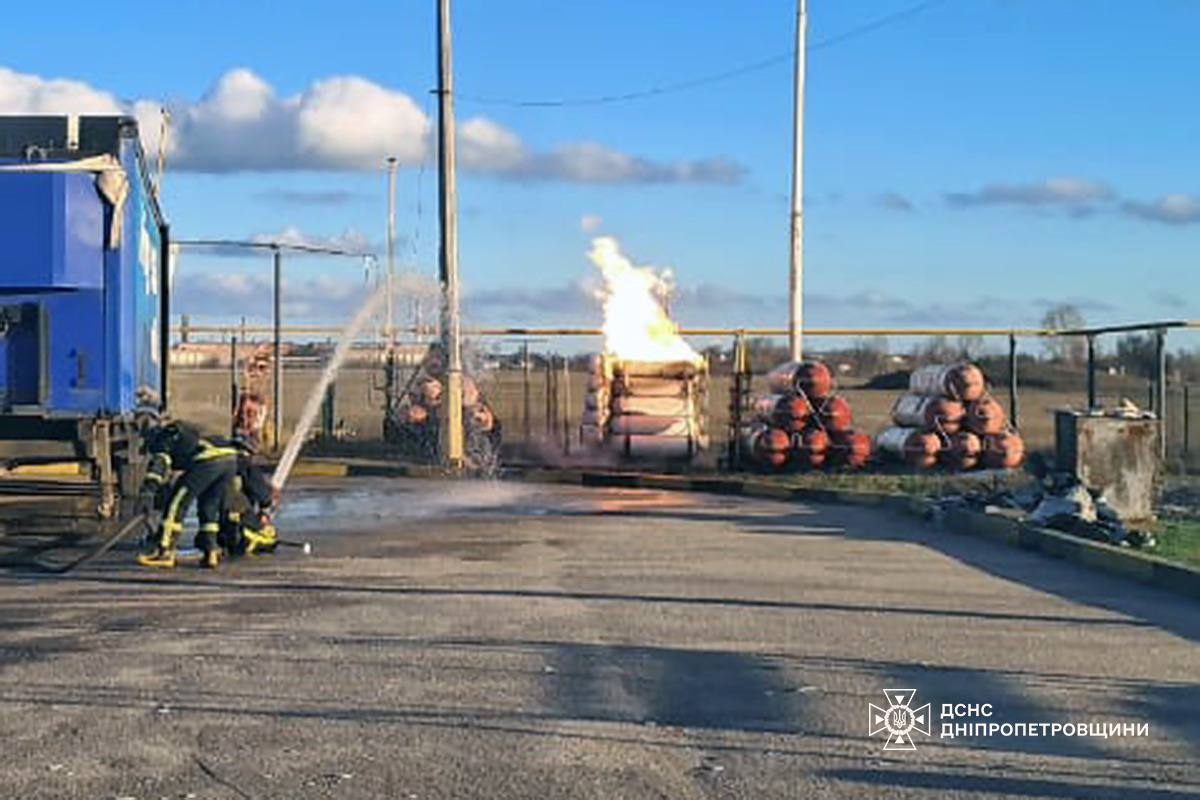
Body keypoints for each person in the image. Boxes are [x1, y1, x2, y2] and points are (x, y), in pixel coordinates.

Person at [136, 420, 240, 569]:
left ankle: (165, 551)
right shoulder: (184, 431)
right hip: (230, 459)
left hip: (208, 458)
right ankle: (210, 551)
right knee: (209, 506)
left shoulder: (164, 437)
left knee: (177, 503)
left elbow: (159, 465)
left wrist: (148, 491)